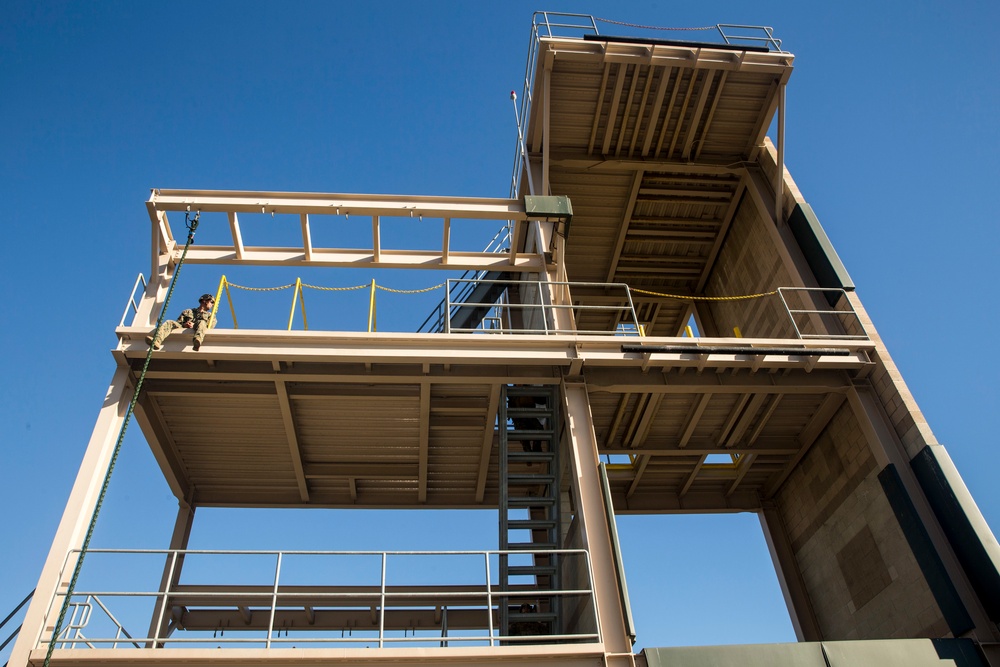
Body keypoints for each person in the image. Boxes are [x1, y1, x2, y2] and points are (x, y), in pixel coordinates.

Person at [146, 293, 215, 351]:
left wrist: (194, 325)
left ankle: (197, 341)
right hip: (183, 328)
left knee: (202, 322)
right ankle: (157, 341)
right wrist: (185, 325)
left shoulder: (211, 317)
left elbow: (209, 328)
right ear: (204, 301)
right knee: (170, 322)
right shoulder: (188, 311)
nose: (212, 305)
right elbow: (178, 323)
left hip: (198, 330)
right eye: (211, 302)